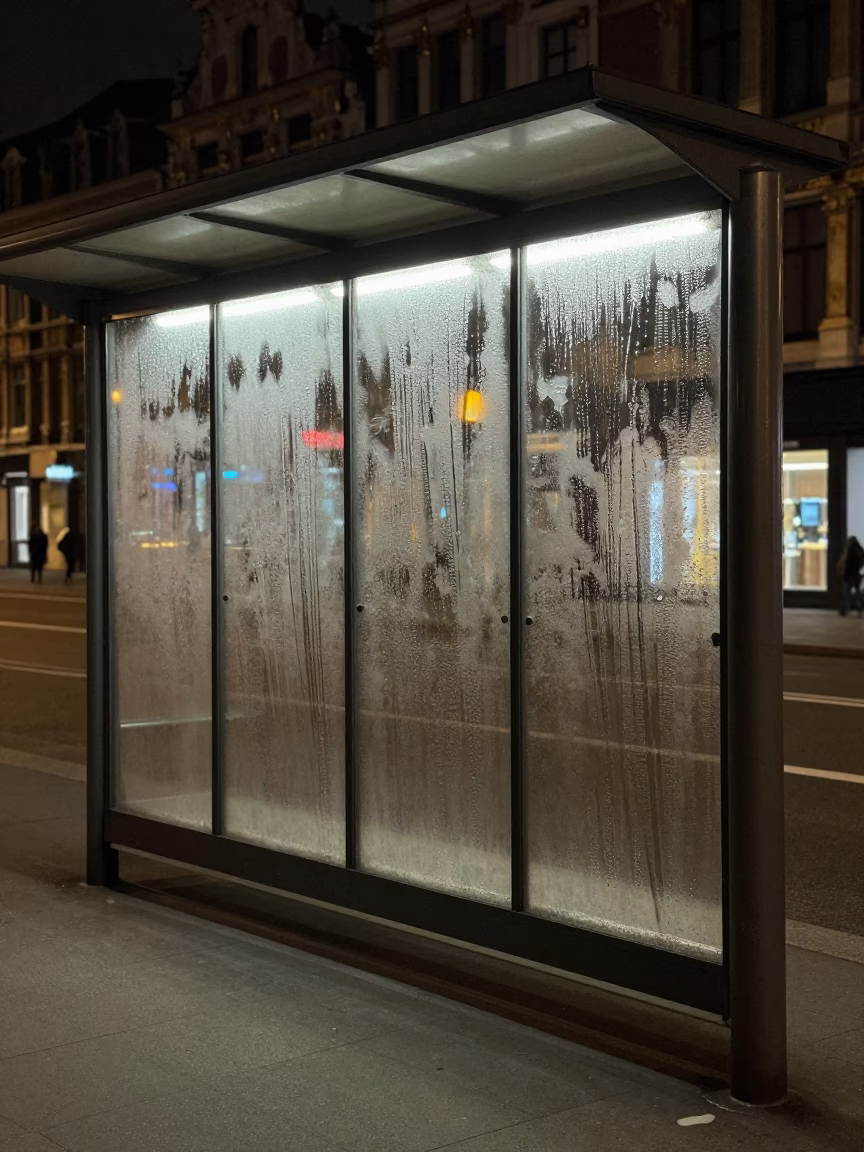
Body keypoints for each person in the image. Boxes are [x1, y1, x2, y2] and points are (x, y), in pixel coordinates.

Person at [838, 535, 864, 616]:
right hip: (856, 574)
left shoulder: (850, 551)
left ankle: (845, 609)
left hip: (849, 574)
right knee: (857, 592)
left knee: (846, 592)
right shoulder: (859, 550)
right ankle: (859, 608)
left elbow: (847, 563)